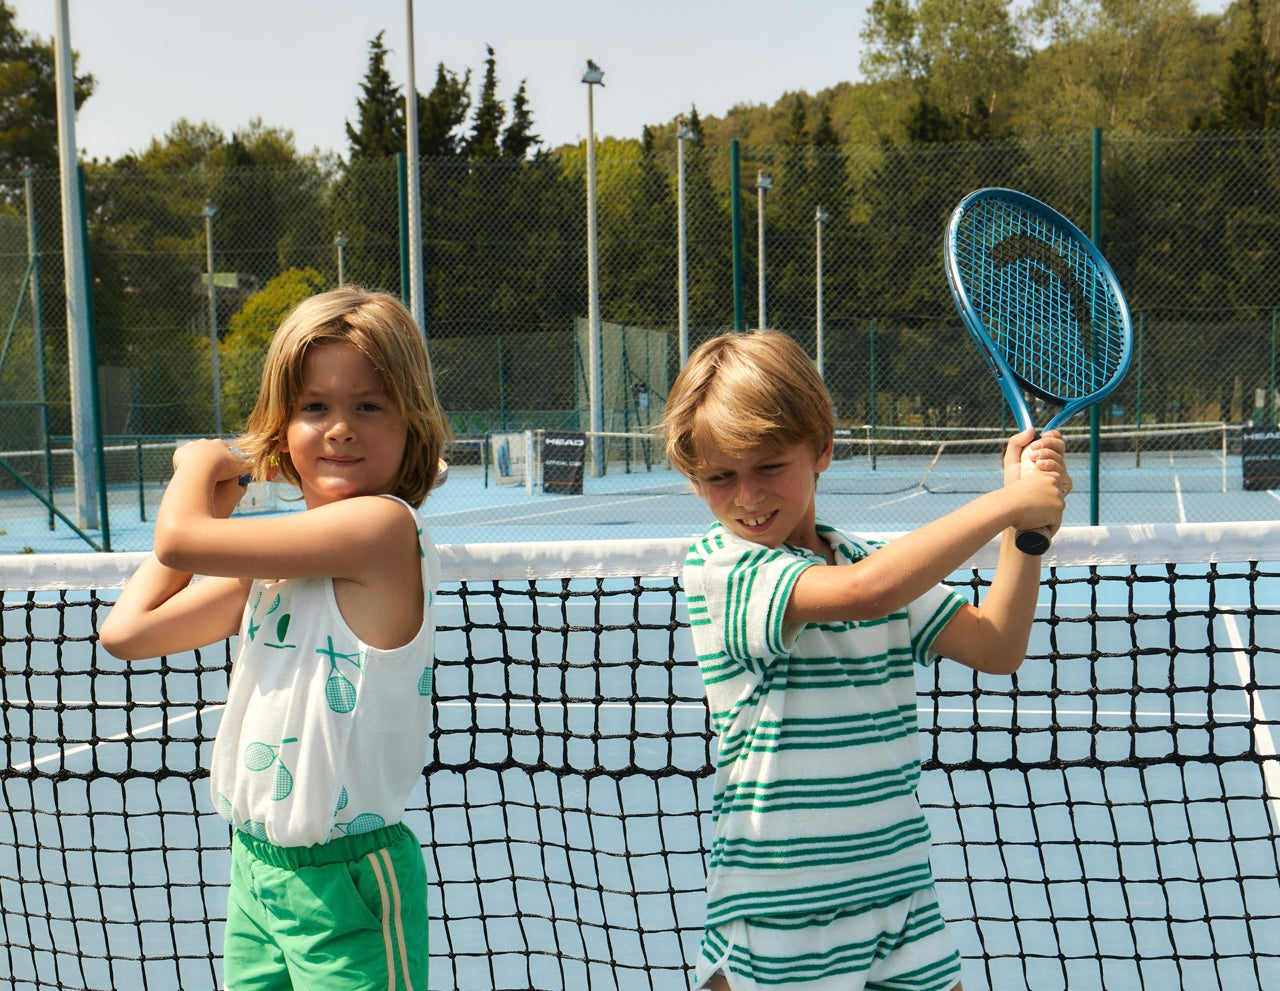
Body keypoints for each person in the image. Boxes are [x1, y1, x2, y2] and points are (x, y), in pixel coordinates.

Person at [662, 329, 1071, 991]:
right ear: (695, 479)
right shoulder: (722, 567)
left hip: (899, 901)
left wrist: (1023, 536)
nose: (746, 495)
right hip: (779, 915)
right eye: (719, 476)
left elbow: (997, 644)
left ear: (822, 447)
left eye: (768, 465)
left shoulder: (866, 558)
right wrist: (1006, 502)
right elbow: (863, 594)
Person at [99, 286, 450, 990]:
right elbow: (126, 631)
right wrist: (218, 512)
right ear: (283, 425)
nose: (340, 427)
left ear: (410, 421)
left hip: (349, 880)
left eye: (369, 405)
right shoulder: (270, 572)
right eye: (314, 407)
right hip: (257, 870)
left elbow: (176, 534)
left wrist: (197, 469)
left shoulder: (384, 529)